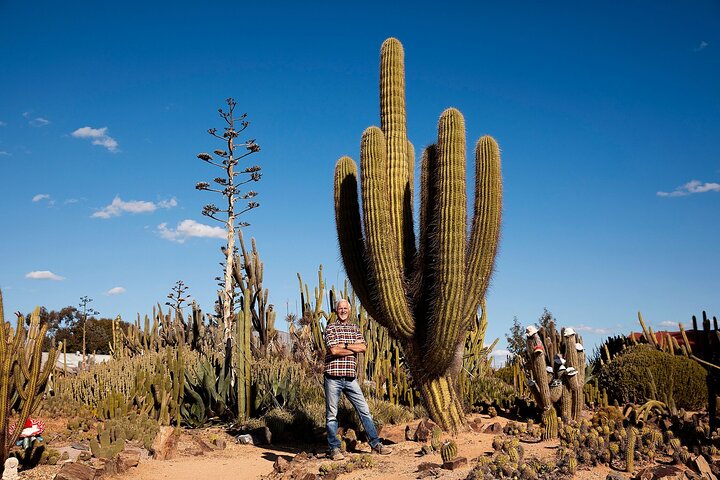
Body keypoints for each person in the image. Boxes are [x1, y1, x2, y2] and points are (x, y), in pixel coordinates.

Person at [324, 298, 391, 460]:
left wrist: (344, 346)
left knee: (365, 411)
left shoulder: (354, 328)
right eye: (340, 308)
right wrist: (351, 348)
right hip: (333, 377)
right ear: (336, 310)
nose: (343, 310)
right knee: (332, 415)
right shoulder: (330, 327)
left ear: (350, 310)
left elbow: (363, 347)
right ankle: (334, 449)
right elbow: (333, 350)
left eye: (345, 308)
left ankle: (375, 444)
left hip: (350, 378)